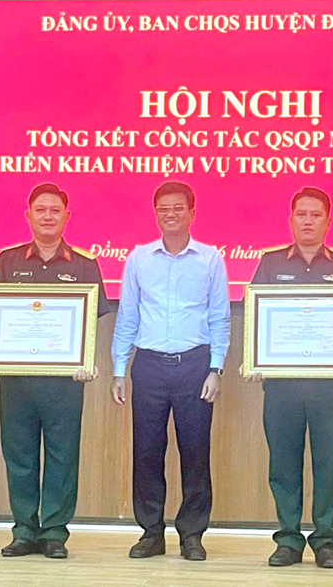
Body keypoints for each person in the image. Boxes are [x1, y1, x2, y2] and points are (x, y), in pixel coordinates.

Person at [0, 183, 110, 559]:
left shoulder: (84, 264)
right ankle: (24, 531)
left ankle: (55, 534)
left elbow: (89, 322)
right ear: (28, 216)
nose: (48, 216)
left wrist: (85, 360)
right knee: (20, 456)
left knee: (63, 457)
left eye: (55, 210)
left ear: (67, 216)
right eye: (41, 210)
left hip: (65, 383)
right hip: (17, 381)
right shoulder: (8, 261)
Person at [245, 186, 333, 570]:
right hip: (281, 386)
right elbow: (255, 316)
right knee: (283, 464)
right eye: (302, 214)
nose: (308, 221)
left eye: (316, 215)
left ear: (328, 222)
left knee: (328, 463)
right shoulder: (270, 263)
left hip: (330, 386)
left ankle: (325, 540)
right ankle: (288, 540)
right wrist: (255, 358)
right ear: (291, 220)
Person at [110, 181, 231, 562]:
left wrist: (216, 369)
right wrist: (119, 370)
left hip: (195, 365)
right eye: (163, 208)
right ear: (155, 214)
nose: (170, 214)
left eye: (178, 207)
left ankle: (192, 535)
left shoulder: (210, 259)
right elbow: (127, 317)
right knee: (146, 452)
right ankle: (151, 533)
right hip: (148, 366)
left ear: (192, 213)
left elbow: (220, 318)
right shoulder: (139, 259)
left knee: (195, 453)